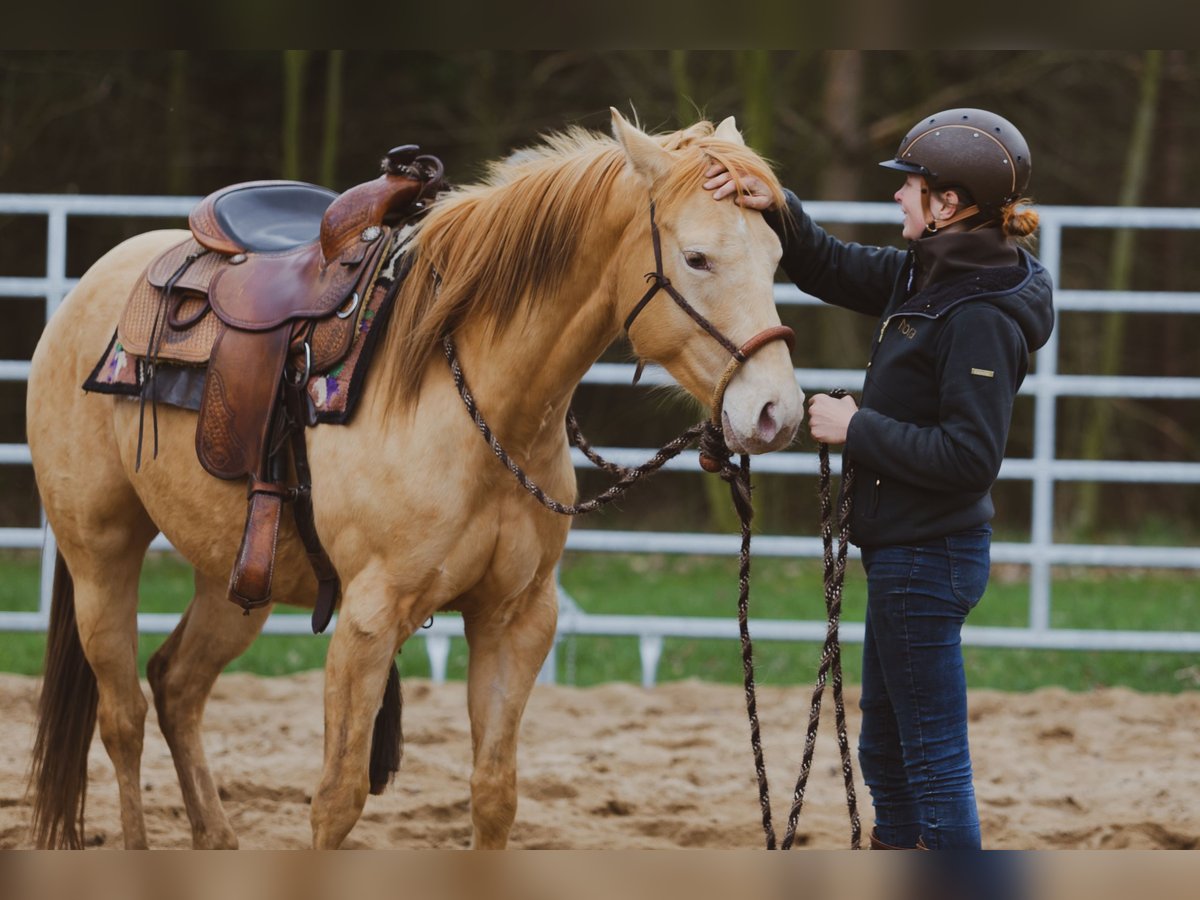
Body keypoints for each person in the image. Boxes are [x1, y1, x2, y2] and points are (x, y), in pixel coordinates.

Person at [705, 108, 1054, 849]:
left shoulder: (979, 314)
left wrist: (855, 428)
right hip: (907, 553)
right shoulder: (932, 273)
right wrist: (776, 203)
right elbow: (831, 266)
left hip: (929, 557)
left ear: (948, 204)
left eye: (911, 185)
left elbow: (970, 458)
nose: (897, 195)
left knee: (931, 760)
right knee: (887, 751)